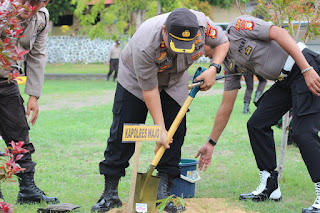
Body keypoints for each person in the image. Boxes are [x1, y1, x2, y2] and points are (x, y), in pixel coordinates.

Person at [91, 8, 229, 213]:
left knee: (176, 132)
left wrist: (214, 68)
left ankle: (163, 193)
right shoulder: (145, 43)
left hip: (175, 79)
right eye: (176, 44)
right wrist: (159, 130)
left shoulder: (201, 24)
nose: (181, 49)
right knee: (123, 131)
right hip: (136, 82)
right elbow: (150, 90)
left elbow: (222, 42)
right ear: (164, 31)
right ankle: (110, 192)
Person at [197, 15, 320, 213]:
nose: (200, 54)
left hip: (304, 67)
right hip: (285, 81)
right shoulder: (227, 63)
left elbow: (279, 33)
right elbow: (225, 105)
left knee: (303, 133)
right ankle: (270, 186)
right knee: (257, 123)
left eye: (200, 48)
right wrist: (211, 143)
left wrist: (307, 69)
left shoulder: (238, 27)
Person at [0, 0, 59, 204]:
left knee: (19, 132)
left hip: (6, 82)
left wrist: (33, 95)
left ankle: (27, 190)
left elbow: (37, 54)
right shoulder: (3, 9)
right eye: (23, 0)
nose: (28, 6)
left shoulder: (42, 18)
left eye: (34, 2)